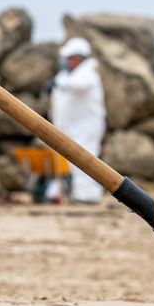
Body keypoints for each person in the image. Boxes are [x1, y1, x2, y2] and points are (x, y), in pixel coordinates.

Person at [49, 38, 107, 204]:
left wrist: (59, 82)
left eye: (68, 58)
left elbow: (79, 85)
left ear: (77, 58)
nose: (65, 62)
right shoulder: (66, 75)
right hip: (70, 127)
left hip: (86, 127)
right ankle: (65, 193)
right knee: (69, 162)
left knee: (86, 160)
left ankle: (87, 195)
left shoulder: (88, 72)